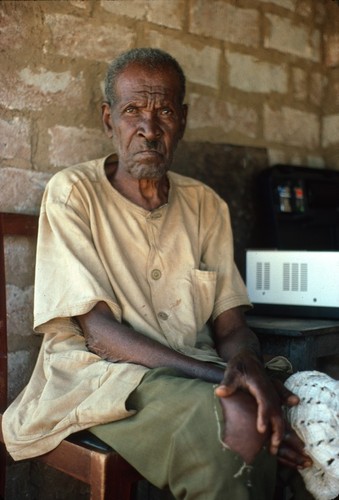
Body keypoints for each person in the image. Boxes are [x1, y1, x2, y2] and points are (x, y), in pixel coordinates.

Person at [2, 48, 312, 499]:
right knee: (241, 419)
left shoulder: (206, 205)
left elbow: (231, 325)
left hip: (195, 370)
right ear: (108, 120)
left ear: (182, 120)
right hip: (102, 376)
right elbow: (100, 333)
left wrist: (245, 363)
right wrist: (222, 378)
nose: (149, 129)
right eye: (132, 112)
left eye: (164, 111)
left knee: (312, 414)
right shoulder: (73, 194)